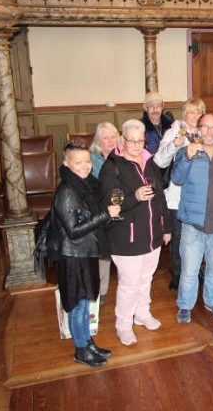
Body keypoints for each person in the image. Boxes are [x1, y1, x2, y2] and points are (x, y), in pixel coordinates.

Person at [99, 119, 171, 346]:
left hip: (152, 235)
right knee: (129, 284)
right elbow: (111, 201)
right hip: (127, 236)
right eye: (132, 140)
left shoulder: (149, 162)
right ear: (123, 139)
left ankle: (142, 314)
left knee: (146, 279)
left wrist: (166, 227)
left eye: (141, 140)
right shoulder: (113, 166)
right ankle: (123, 325)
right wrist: (135, 196)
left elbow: (160, 197)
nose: (137, 145)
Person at [48, 140, 119, 367]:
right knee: (78, 305)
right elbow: (74, 231)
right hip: (72, 256)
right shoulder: (67, 192)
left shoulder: (87, 185)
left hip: (85, 252)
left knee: (87, 301)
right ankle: (81, 350)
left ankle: (88, 342)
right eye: (79, 162)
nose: (85, 166)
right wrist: (105, 215)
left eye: (87, 161)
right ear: (66, 164)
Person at [171, 113, 213, 324]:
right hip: (193, 223)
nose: (209, 132)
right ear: (199, 130)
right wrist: (186, 157)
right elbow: (176, 178)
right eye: (205, 127)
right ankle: (185, 304)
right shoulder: (188, 152)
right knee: (190, 270)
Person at [154, 98, 206, 291]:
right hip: (176, 194)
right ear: (184, 114)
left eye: (197, 112)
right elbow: (159, 161)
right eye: (190, 112)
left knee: (197, 234)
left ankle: (194, 269)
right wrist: (174, 145)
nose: (194, 116)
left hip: (198, 194)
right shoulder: (175, 132)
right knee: (177, 235)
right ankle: (177, 272)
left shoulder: (205, 133)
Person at [89, 122, 120, 305]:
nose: (110, 141)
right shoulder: (92, 160)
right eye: (105, 138)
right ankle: (102, 290)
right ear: (99, 141)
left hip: (122, 205)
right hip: (101, 209)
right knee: (103, 252)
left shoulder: (123, 156)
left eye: (113, 136)